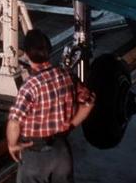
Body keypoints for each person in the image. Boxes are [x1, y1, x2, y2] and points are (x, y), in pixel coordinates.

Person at [7, 29, 96, 182]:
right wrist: (71, 125)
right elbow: (89, 103)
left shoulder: (29, 86)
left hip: (35, 156)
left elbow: (14, 123)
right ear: (49, 50)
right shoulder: (67, 76)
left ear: (26, 55)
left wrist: (12, 145)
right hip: (62, 153)